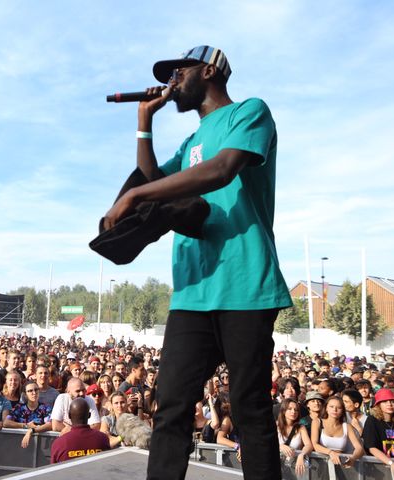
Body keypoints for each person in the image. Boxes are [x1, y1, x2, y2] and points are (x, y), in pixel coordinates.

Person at [103, 45, 292, 480]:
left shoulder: (250, 112)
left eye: (178, 72)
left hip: (245, 283)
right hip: (192, 290)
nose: (171, 81)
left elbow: (223, 169)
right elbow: (156, 182)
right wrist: (144, 124)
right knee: (170, 406)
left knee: (250, 410)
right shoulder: (189, 142)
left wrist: (134, 196)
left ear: (208, 71)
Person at [50, 398, 110, 463]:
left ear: (69, 415)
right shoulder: (103, 439)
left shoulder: (59, 444)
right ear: (89, 415)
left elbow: (53, 470)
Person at [310, 396, 364, 468]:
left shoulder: (347, 426)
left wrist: (353, 458)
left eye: (339, 407)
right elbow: (315, 445)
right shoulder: (317, 422)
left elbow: (359, 448)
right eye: (331, 406)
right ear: (326, 408)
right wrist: (331, 453)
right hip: (321, 466)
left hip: (341, 466)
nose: (335, 410)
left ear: (342, 411)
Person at [4, 381, 53, 448]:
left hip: (40, 446)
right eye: (30, 391)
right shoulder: (19, 408)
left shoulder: (46, 408)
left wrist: (31, 431)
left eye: (36, 390)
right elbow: (6, 423)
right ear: (25, 394)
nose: (34, 393)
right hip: (20, 444)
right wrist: (26, 425)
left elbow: (50, 425)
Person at [276, 398, 312, 477]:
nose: (293, 412)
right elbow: (266, 443)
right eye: (290, 409)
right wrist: (280, 446)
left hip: (294, 469)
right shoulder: (275, 425)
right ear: (283, 411)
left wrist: (301, 455)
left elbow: (309, 445)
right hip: (276, 468)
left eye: (296, 410)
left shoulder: (301, 427)